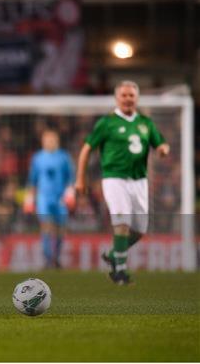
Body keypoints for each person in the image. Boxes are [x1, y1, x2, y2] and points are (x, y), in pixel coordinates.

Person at [75, 80, 170, 285]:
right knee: (122, 221)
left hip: (139, 181)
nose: (128, 99)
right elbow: (86, 150)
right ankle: (120, 272)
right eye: (124, 95)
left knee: (139, 230)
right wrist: (80, 179)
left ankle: (113, 254)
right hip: (114, 179)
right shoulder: (106, 123)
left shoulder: (145, 122)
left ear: (136, 98)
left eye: (131, 95)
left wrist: (163, 149)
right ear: (117, 98)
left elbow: (160, 142)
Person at [24, 129, 75, 268]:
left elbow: (70, 177)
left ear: (57, 141)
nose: (49, 142)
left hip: (60, 197)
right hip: (44, 197)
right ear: (43, 142)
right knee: (46, 226)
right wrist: (29, 198)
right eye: (47, 140)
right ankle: (47, 259)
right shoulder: (38, 158)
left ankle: (56, 258)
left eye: (52, 140)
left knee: (60, 228)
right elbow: (32, 180)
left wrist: (70, 193)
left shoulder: (64, 157)